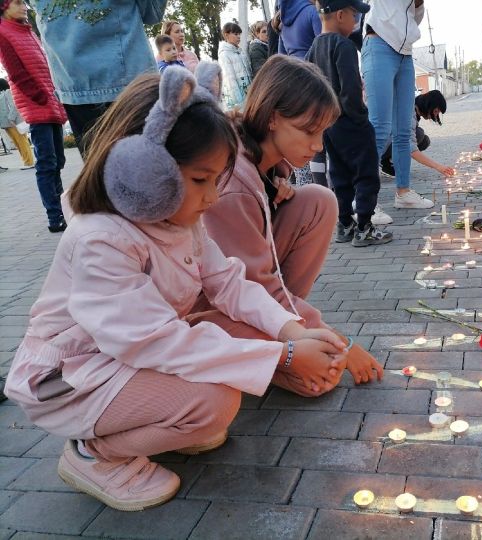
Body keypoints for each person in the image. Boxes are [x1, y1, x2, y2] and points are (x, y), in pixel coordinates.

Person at [3, 64, 348, 512]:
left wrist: (291, 330)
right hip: (69, 380)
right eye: (201, 180)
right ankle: (94, 453)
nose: (212, 197)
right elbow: (157, 342)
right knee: (216, 403)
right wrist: (281, 356)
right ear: (143, 171)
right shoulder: (102, 239)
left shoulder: (181, 221)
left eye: (217, 179)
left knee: (218, 385)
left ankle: (164, 419)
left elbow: (228, 283)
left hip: (122, 361)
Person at [203, 54, 384, 387]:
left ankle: (288, 329)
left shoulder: (267, 163)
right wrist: (339, 341)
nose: (317, 146)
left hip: (255, 293)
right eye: (308, 131)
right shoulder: (233, 185)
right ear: (273, 118)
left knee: (318, 200)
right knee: (320, 379)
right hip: (211, 306)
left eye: (322, 133)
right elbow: (251, 287)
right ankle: (276, 344)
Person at [30, 0, 167, 158]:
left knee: (99, 171)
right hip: (127, 78)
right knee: (149, 168)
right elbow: (152, 13)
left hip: (71, 82)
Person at [306, 0, 393, 248]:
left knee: (340, 175)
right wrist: (359, 117)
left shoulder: (314, 46)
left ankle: (344, 224)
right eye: (355, 15)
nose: (356, 21)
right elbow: (350, 87)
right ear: (341, 15)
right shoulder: (342, 46)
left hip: (328, 125)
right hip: (349, 121)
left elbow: (310, 85)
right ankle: (364, 226)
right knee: (366, 174)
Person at [0, 0, 67, 232]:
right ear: (4, 6)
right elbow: (16, 73)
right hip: (37, 104)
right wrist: (39, 97)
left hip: (50, 102)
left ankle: (61, 208)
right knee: (47, 162)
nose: (24, 7)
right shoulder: (3, 32)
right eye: (18, 3)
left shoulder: (28, 31)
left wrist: (56, 97)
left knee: (59, 159)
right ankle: (55, 216)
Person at [361, 0, 434, 211]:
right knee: (379, 126)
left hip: (406, 53)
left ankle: (403, 192)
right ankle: (365, 200)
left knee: (403, 131)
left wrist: (419, 5)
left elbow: (411, 20)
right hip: (378, 43)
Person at [380, 89, 455, 179]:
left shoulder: (413, 108)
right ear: (428, 105)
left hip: (385, 140)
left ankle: (389, 161)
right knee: (419, 134)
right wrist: (438, 166)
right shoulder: (408, 113)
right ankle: (383, 162)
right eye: (435, 111)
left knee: (424, 140)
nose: (435, 116)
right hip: (377, 147)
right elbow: (411, 148)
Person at [218, 21, 254, 110]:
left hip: (249, 94)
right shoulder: (224, 54)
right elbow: (230, 80)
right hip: (239, 100)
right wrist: (239, 103)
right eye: (235, 34)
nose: (238, 36)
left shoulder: (240, 52)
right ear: (226, 35)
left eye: (239, 34)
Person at [0, 77, 34, 168]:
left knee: (22, 142)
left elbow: (14, 106)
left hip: (13, 122)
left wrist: (11, 118)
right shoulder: (2, 94)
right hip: (6, 124)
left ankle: (29, 162)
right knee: (17, 143)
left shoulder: (8, 92)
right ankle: (26, 161)